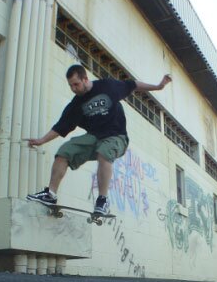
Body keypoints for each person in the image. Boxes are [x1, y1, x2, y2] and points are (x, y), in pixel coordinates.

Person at [27, 65, 172, 214]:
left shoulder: (108, 86)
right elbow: (60, 127)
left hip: (116, 136)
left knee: (104, 152)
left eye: (76, 84)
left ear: (85, 79)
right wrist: (41, 140)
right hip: (94, 136)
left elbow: (133, 84)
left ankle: (102, 200)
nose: (74, 89)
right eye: (70, 86)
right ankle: (50, 194)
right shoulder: (76, 104)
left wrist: (158, 86)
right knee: (64, 152)